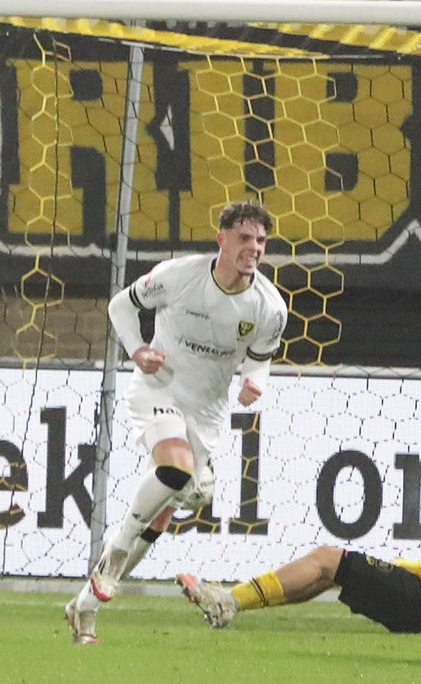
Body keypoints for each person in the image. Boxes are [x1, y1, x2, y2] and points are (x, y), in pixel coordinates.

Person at [63, 201, 288, 645]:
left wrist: (254, 381)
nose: (255, 248)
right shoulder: (180, 276)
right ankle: (115, 554)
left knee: (163, 510)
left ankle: (84, 606)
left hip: (207, 412)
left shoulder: (269, 307)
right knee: (176, 468)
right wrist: (137, 350)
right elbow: (120, 306)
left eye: (261, 240)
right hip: (159, 390)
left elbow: (261, 358)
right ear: (221, 239)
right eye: (245, 237)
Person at [179, 438, 421, 635]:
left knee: (326, 557)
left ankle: (228, 601)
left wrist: (397, 567)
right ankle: (233, 605)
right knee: (331, 573)